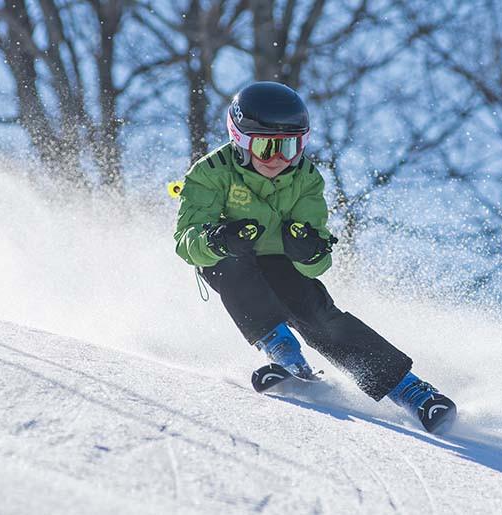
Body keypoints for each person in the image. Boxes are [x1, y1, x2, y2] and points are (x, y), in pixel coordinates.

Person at [173, 81, 456, 432]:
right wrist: (217, 239)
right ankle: (285, 354)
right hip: (230, 257)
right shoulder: (211, 172)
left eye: (290, 147)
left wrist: (308, 250)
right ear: (241, 141)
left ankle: (411, 391)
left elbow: (319, 261)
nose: (279, 159)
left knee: (316, 312)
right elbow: (186, 242)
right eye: (266, 147)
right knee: (226, 265)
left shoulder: (306, 178)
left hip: (281, 261)